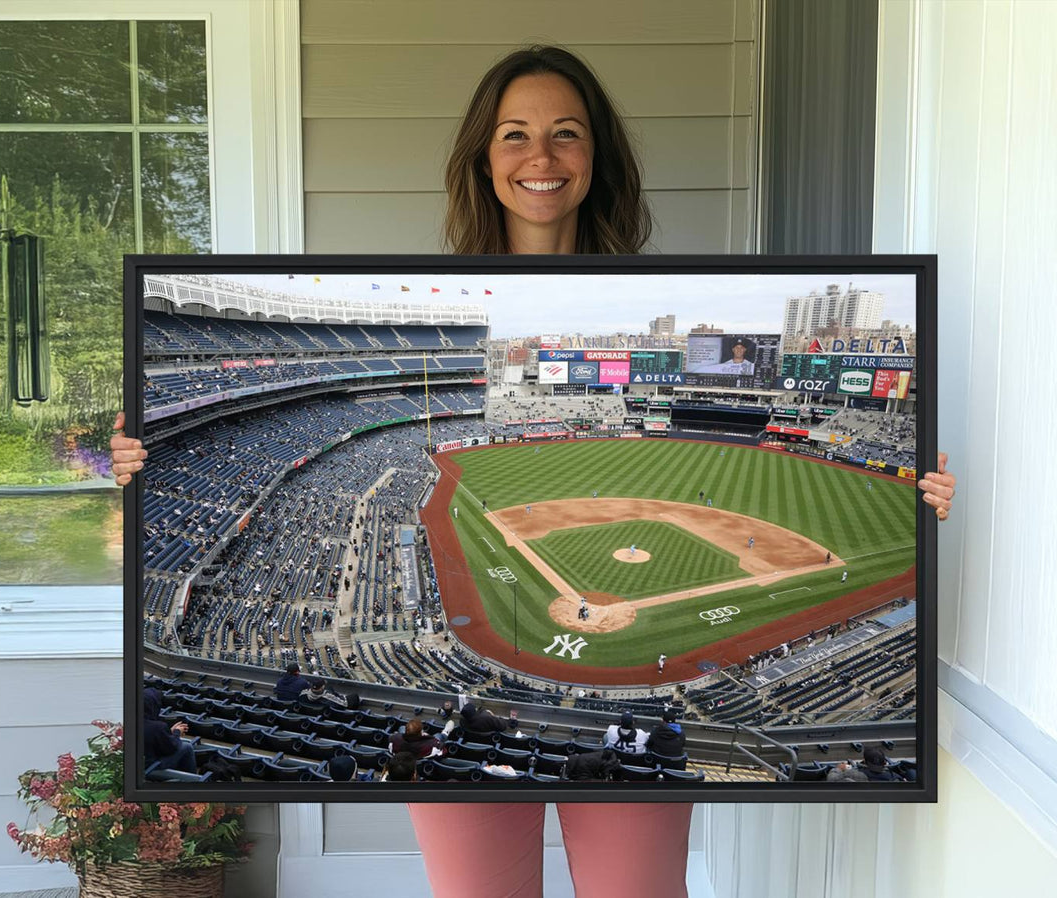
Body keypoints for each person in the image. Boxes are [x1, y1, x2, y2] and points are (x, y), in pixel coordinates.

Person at [110, 43, 958, 898]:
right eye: (514, 134)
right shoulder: (440, 289)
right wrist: (134, 464)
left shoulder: (668, 293)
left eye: (567, 134)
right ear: (483, 158)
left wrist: (927, 495)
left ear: (598, 158)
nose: (540, 157)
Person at [142, 687, 196, 774]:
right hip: (149, 768)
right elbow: (170, 749)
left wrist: (169, 733)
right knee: (187, 747)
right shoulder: (157, 727)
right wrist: (177, 733)